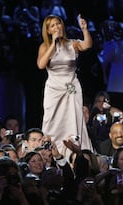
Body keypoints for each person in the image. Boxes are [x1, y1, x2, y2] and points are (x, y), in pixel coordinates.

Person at [37, 14, 95, 156]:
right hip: (54, 88)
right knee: (52, 120)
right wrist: (53, 44)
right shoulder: (45, 46)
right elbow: (41, 65)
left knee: (73, 119)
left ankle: (76, 153)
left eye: (58, 23)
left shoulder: (72, 44)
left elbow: (87, 45)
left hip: (71, 87)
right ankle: (51, 152)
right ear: (48, 31)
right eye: (52, 26)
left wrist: (84, 29)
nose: (57, 27)